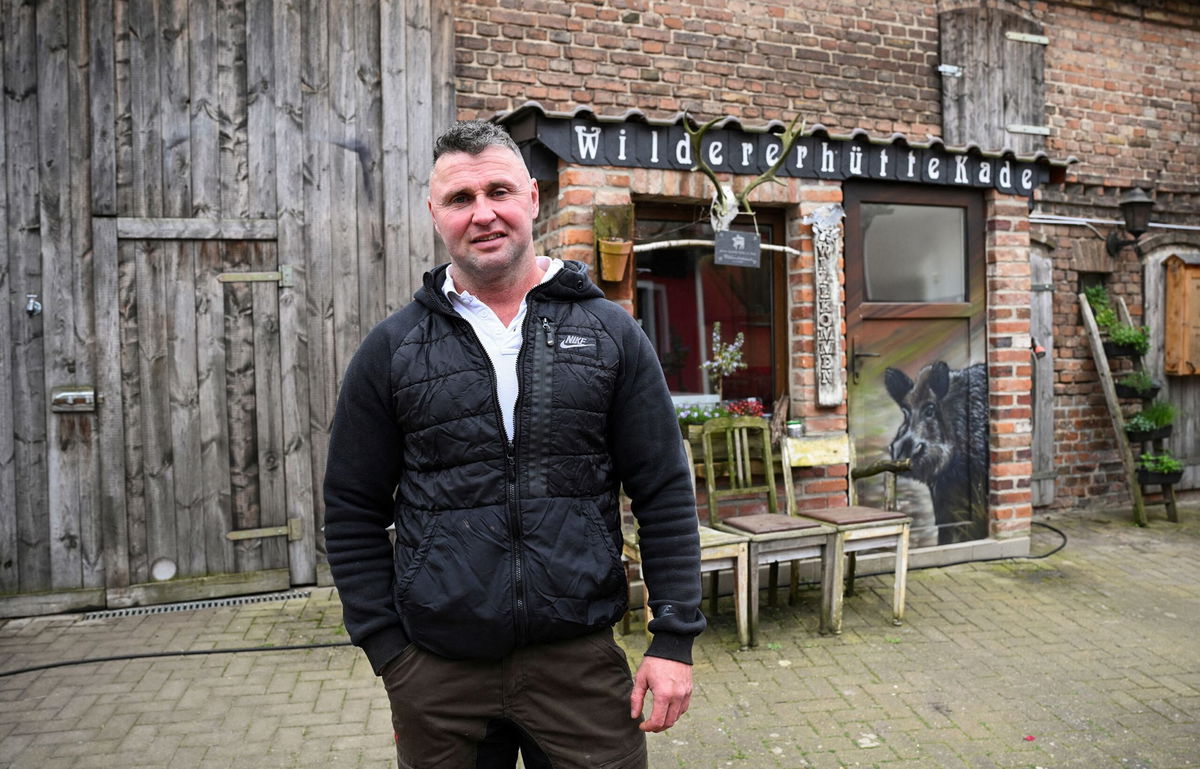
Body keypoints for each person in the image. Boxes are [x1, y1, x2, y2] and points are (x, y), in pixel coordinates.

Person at [323, 119, 705, 769]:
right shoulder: (392, 350)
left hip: (578, 666)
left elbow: (664, 490)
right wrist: (391, 653)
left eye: (498, 191)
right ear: (434, 213)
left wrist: (672, 639)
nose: (483, 214)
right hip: (439, 675)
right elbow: (352, 508)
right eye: (460, 199)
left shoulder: (609, 334)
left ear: (532, 197)